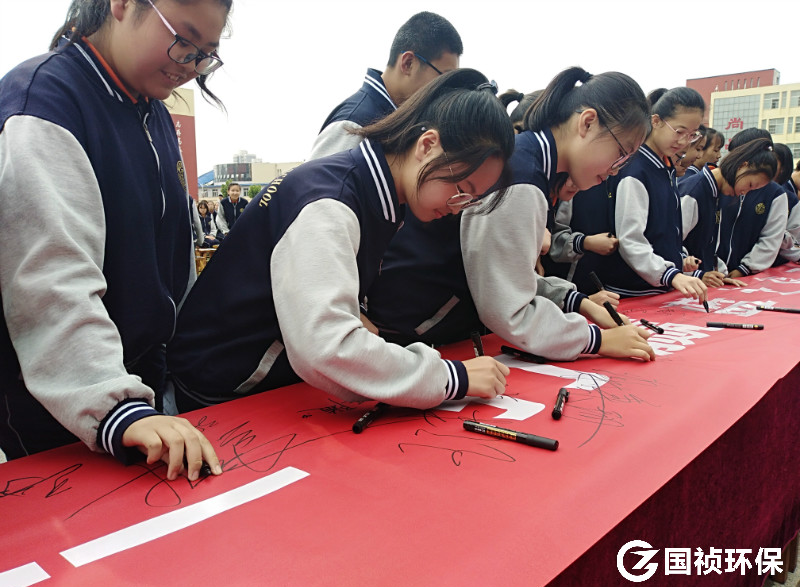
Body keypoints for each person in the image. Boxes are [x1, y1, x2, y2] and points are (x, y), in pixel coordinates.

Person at [168, 69, 516, 411]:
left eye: (471, 201)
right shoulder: (331, 202)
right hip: (221, 394)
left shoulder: (372, 191)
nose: (457, 208)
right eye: (461, 189)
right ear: (427, 145)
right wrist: (451, 377)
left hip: (263, 384)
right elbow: (327, 345)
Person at [0, 0, 230, 480]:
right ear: (122, 4)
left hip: (142, 386)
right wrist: (117, 405)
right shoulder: (44, 103)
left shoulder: (153, 112)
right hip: (66, 397)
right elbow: (50, 279)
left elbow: (174, 260)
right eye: (183, 41)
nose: (190, 66)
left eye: (205, 54)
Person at [365, 67, 656, 362]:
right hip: (415, 338)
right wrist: (596, 339)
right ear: (588, 122)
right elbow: (508, 309)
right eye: (621, 154)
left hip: (427, 326)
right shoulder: (523, 178)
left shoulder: (529, 159)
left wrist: (575, 300)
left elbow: (506, 273)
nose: (615, 171)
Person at [596, 87, 709, 300]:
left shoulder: (663, 167)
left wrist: (679, 262)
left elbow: (664, 232)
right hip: (634, 291)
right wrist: (670, 275)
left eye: (692, 135)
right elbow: (630, 240)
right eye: (679, 132)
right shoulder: (635, 170)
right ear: (656, 121)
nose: (684, 142)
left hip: (659, 287)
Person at [308, 11, 462, 160]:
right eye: (443, 77)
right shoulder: (353, 125)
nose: (445, 90)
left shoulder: (400, 121)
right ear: (408, 63)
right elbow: (318, 178)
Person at [679, 138, 777, 284]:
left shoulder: (716, 193)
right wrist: (698, 274)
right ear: (742, 166)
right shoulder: (694, 192)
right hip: (683, 283)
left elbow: (706, 245)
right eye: (750, 185)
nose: (745, 192)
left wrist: (718, 275)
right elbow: (668, 245)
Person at [714, 129, 788, 278]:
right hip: (711, 272)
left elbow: (771, 238)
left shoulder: (775, 194)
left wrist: (744, 268)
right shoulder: (719, 184)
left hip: (748, 276)